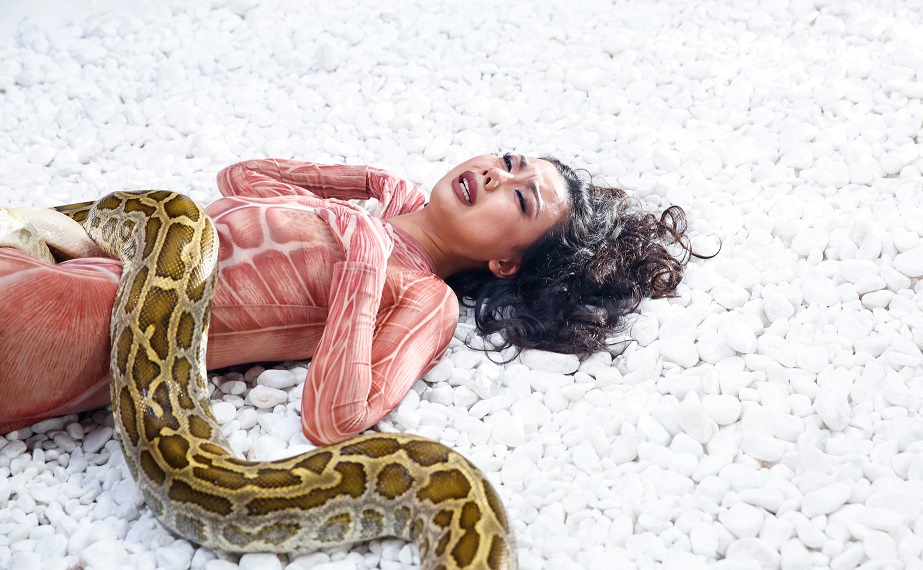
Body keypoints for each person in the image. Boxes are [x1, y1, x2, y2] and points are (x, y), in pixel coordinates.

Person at [0, 154, 695, 442]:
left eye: (518, 198)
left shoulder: (424, 297)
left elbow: (335, 418)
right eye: (508, 161)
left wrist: (364, 264)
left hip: (85, 323)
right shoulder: (368, 210)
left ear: (505, 263)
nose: (493, 174)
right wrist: (358, 184)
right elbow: (238, 179)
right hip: (82, 269)